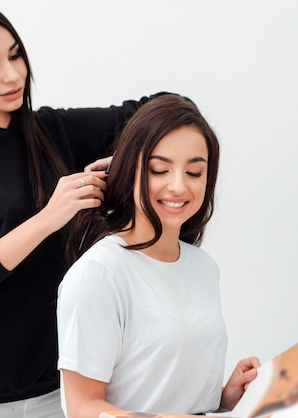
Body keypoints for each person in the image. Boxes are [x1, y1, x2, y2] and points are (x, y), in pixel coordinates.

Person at [0, 1, 168, 416]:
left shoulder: (52, 131)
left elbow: (163, 107)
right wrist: (48, 218)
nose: (12, 74)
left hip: (61, 389)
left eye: (15, 55)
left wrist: (127, 160)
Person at [57, 94, 260, 418]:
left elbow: (166, 390)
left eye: (194, 173)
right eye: (159, 170)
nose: (178, 186)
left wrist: (224, 397)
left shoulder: (203, 268)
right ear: (130, 171)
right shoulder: (99, 274)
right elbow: (84, 408)